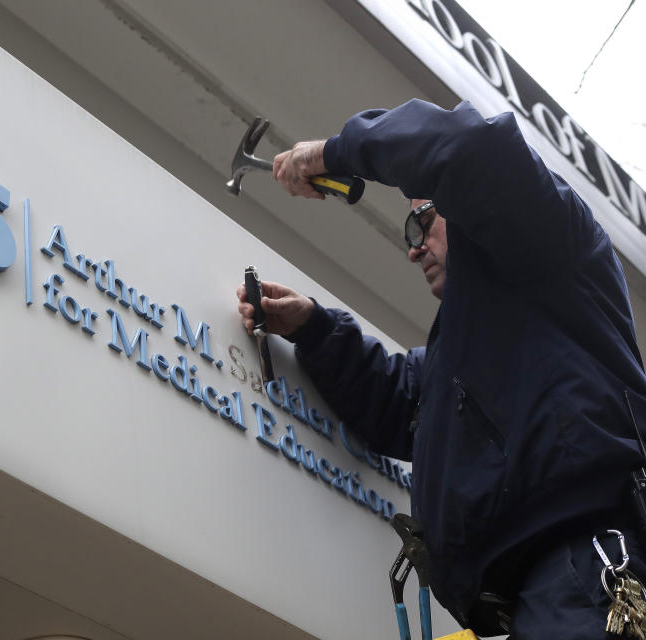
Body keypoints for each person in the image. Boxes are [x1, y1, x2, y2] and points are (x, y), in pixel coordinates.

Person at [236, 99, 646, 639]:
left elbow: (469, 146)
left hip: (584, 568)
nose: (413, 249)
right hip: (535, 594)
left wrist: (335, 152)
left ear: (463, 204)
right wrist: (313, 328)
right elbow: (403, 398)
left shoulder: (550, 236)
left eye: (420, 223)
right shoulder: (480, 342)